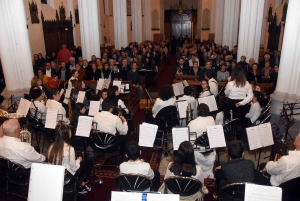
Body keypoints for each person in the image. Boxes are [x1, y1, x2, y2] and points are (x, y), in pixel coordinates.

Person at [48, 124, 93, 194]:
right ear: (66, 134)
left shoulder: (51, 146)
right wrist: (78, 160)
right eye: (70, 131)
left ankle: (82, 183)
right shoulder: (69, 149)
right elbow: (73, 169)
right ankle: (81, 185)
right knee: (89, 161)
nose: (71, 133)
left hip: (55, 175)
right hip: (67, 178)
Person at [188, 103, 216, 177]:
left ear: (197, 111)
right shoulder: (212, 119)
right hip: (210, 148)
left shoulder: (193, 123)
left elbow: (188, 138)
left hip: (198, 150)